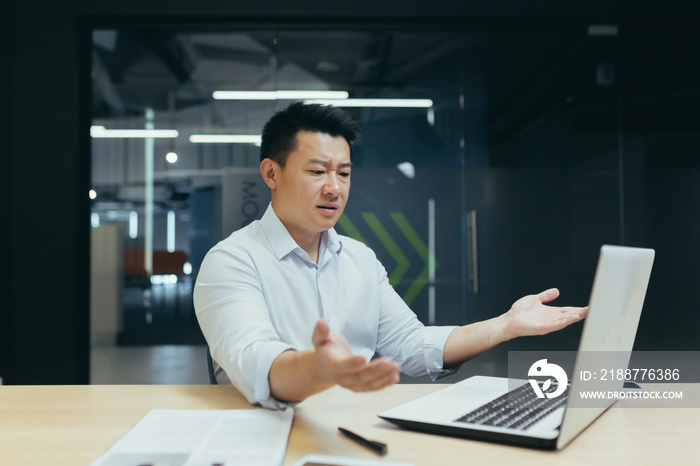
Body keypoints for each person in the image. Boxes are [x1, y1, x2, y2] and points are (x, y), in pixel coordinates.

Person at [193, 102, 588, 409]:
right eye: (317, 172)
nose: (334, 188)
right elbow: (253, 360)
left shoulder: (360, 260)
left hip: (356, 430)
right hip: (269, 438)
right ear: (271, 173)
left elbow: (412, 345)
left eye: (344, 173)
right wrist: (320, 369)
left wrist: (505, 325)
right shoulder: (232, 261)